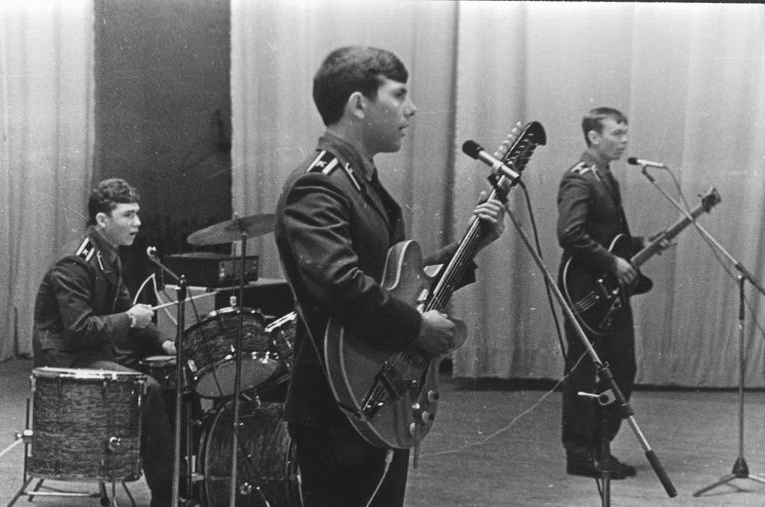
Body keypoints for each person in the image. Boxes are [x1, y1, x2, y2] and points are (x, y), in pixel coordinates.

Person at [274, 46, 505, 506]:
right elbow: (340, 284)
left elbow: (397, 284)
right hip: (338, 402)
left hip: (371, 392)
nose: (411, 109)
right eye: (399, 95)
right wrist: (418, 327)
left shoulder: (357, 183)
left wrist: (472, 243)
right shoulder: (318, 184)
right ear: (359, 105)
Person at [33, 178, 177, 506]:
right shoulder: (75, 262)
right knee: (149, 389)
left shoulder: (108, 255)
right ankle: (166, 498)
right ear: (102, 219)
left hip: (92, 353)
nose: (137, 223)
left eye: (137, 214)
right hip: (64, 362)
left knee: (172, 379)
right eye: (128, 215)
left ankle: (175, 487)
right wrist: (130, 319)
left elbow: (125, 310)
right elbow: (79, 329)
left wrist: (165, 344)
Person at [557, 107, 648, 480]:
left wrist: (642, 244)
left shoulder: (605, 177)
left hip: (609, 292)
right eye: (617, 133)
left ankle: (600, 446)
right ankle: (582, 454)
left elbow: (607, 236)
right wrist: (612, 263)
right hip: (586, 292)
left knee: (621, 369)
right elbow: (570, 234)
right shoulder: (579, 179)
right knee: (584, 374)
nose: (624, 140)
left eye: (626, 132)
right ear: (594, 137)